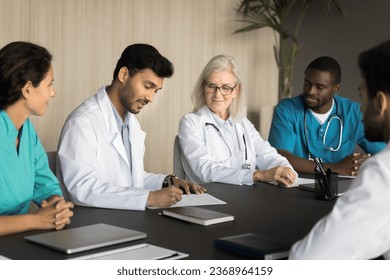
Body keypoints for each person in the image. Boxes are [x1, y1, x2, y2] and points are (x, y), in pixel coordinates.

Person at [58, 44, 205, 211]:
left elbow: (130, 179)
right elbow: (81, 188)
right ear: (124, 75)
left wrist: (167, 181)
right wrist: (148, 197)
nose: (150, 98)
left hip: (122, 219)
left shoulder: (130, 122)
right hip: (91, 224)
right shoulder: (82, 122)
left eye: (156, 91)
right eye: (148, 86)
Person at [289, 40, 390, 259]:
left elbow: (308, 262)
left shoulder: (385, 172)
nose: (359, 109)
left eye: (363, 97)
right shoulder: (289, 109)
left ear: (380, 103)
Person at [178, 54, 297, 186]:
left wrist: (287, 171)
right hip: (207, 197)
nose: (218, 94)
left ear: (236, 90)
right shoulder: (190, 122)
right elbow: (206, 170)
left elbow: (268, 155)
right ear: (203, 88)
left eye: (226, 88)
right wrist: (258, 175)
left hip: (244, 197)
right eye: (211, 86)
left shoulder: (242, 123)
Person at [0, 41, 74, 236]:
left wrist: (56, 207)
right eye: (49, 84)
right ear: (27, 89)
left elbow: (45, 184)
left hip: (16, 242)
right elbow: (36, 220)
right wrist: (36, 220)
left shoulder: (26, 131)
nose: (53, 92)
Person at [268, 56, 385, 176]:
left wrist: (364, 163)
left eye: (319, 87)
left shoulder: (352, 113)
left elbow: (384, 153)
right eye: (307, 84)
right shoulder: (287, 109)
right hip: (294, 186)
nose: (310, 91)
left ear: (336, 88)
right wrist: (335, 168)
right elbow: (280, 156)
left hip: (339, 189)